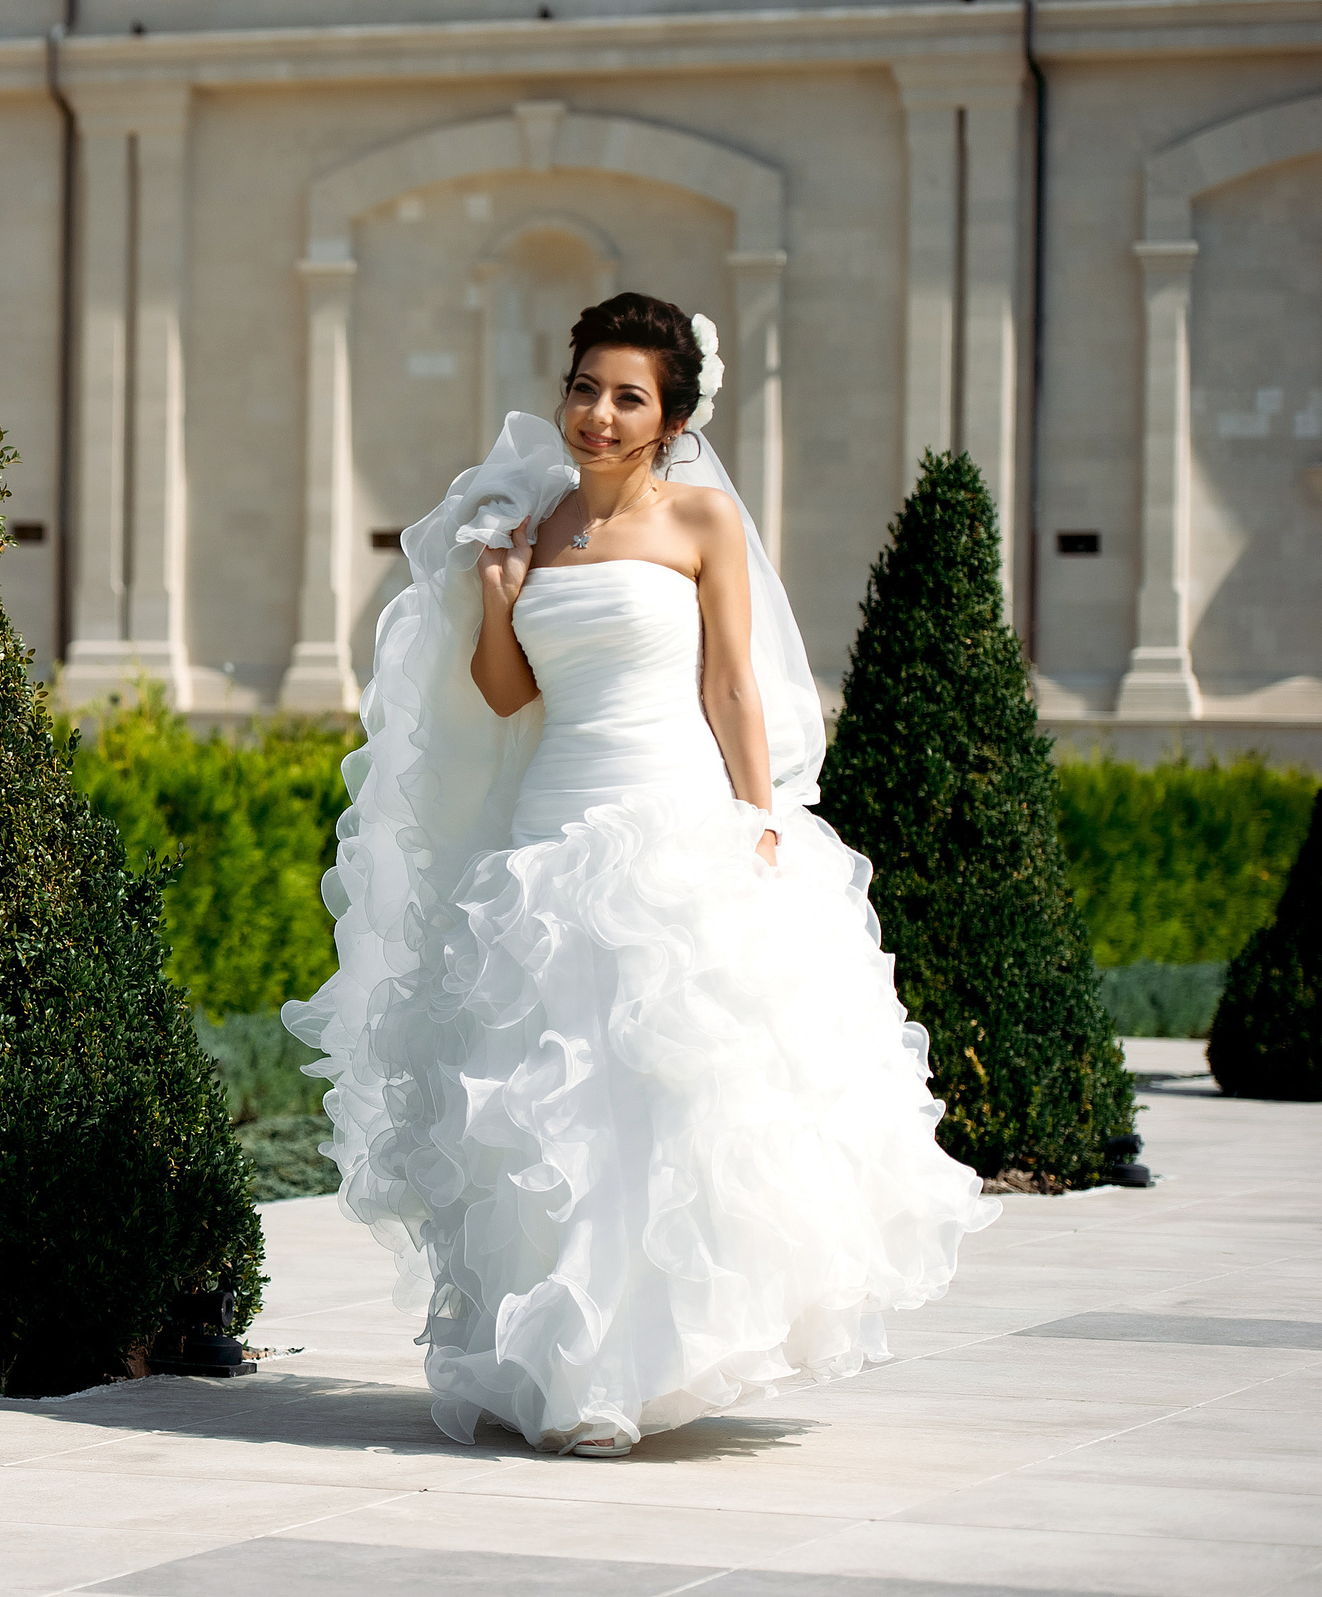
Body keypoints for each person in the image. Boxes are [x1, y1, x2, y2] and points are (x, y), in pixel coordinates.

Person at [284, 292, 997, 1459]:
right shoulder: (527, 522)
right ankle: (562, 1363)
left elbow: (731, 685)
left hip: (671, 819)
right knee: (548, 1103)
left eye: (627, 397)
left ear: (668, 418)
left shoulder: (703, 521)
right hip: (550, 825)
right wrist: (504, 602)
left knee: (670, 1097)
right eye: (584, 387)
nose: (597, 414)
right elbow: (508, 697)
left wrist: (758, 819)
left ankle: (645, 1359)